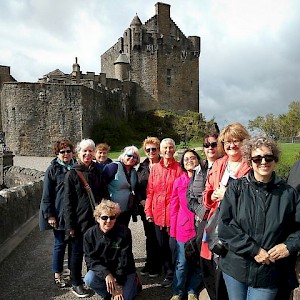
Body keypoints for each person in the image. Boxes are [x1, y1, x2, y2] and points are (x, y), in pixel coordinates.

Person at [219, 136, 300, 300]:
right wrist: (254, 250)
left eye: (268, 157)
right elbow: (226, 226)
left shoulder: (289, 194)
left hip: (269, 272)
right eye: (257, 158)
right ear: (250, 161)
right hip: (236, 268)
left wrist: (289, 246)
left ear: (275, 159)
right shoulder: (236, 188)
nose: (263, 161)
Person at [201, 122, 251, 300]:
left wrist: (228, 194)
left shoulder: (251, 165)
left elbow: (255, 196)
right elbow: (207, 189)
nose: (231, 145)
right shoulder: (219, 163)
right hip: (216, 224)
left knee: (233, 272)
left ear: (244, 142)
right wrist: (211, 195)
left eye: (236, 141)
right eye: (227, 142)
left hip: (239, 227)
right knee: (214, 270)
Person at [64, 138, 108, 298]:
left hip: (96, 221)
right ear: (78, 153)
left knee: (95, 252)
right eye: (85, 151)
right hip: (79, 221)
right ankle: (76, 282)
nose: (88, 154)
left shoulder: (98, 171)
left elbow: (104, 195)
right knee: (76, 253)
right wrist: (70, 226)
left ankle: (93, 279)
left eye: (91, 151)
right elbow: (67, 202)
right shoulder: (72, 174)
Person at [145, 137, 182, 288]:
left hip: (175, 215)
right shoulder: (155, 169)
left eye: (170, 147)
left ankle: (175, 273)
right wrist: (148, 211)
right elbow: (150, 192)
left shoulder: (179, 168)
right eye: (165, 148)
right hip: (158, 215)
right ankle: (168, 273)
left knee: (174, 247)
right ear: (161, 150)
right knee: (162, 247)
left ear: (174, 149)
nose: (168, 150)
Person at [84, 200, 140, 300]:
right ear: (97, 218)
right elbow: (91, 260)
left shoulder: (124, 232)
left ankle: (135, 284)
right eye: (104, 217)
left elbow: (124, 260)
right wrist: (106, 274)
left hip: (124, 271)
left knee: (125, 297)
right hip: (105, 271)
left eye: (112, 217)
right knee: (89, 279)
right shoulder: (89, 235)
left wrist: (118, 284)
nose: (108, 221)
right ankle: (109, 294)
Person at [39, 139, 75, 288]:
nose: (65, 154)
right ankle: (58, 275)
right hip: (59, 214)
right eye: (62, 151)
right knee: (60, 244)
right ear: (57, 153)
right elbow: (46, 195)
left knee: (74, 245)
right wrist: (50, 215)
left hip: (75, 214)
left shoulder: (76, 166)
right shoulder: (52, 169)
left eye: (68, 151)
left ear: (72, 152)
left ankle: (74, 273)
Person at [169, 149, 203, 300]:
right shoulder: (179, 181)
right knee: (182, 263)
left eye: (193, 158)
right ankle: (178, 292)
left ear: (198, 160)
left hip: (201, 227)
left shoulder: (205, 178)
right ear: (182, 163)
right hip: (183, 227)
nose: (189, 160)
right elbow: (174, 207)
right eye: (186, 159)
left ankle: (192, 290)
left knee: (198, 262)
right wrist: (173, 231)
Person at [137, 137, 161, 277]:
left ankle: (157, 265)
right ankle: (150, 263)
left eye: (154, 149)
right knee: (149, 236)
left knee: (158, 237)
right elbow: (138, 186)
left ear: (158, 150)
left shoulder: (164, 164)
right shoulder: (143, 166)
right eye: (148, 149)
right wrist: (141, 200)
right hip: (146, 207)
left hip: (160, 207)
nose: (151, 151)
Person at [103, 146, 141, 227]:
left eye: (134, 157)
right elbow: (101, 186)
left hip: (126, 210)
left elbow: (136, 189)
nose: (132, 158)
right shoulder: (113, 167)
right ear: (123, 156)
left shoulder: (133, 172)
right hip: (111, 211)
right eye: (129, 155)